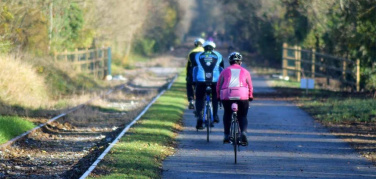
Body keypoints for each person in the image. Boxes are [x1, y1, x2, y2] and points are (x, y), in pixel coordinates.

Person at [216, 52, 253, 146]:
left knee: (227, 113)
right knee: (243, 116)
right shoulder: (245, 71)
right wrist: (250, 96)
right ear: (240, 62)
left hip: (227, 95)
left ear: (230, 62)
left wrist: (218, 96)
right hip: (242, 95)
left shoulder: (225, 71)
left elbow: (218, 85)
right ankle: (244, 132)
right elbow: (250, 86)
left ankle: (226, 135)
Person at [192, 41, 224, 129]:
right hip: (215, 81)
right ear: (213, 48)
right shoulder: (218, 55)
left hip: (201, 80)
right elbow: (222, 69)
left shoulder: (198, 55)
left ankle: (199, 116)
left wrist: (194, 82)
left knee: (199, 98)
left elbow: (195, 68)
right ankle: (215, 115)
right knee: (215, 96)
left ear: (204, 47)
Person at [186, 38, 205, 109]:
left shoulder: (191, 52)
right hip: (204, 74)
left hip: (194, 73)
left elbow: (188, 65)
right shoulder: (205, 52)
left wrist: (187, 75)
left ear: (195, 44)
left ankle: (191, 100)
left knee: (189, 84)